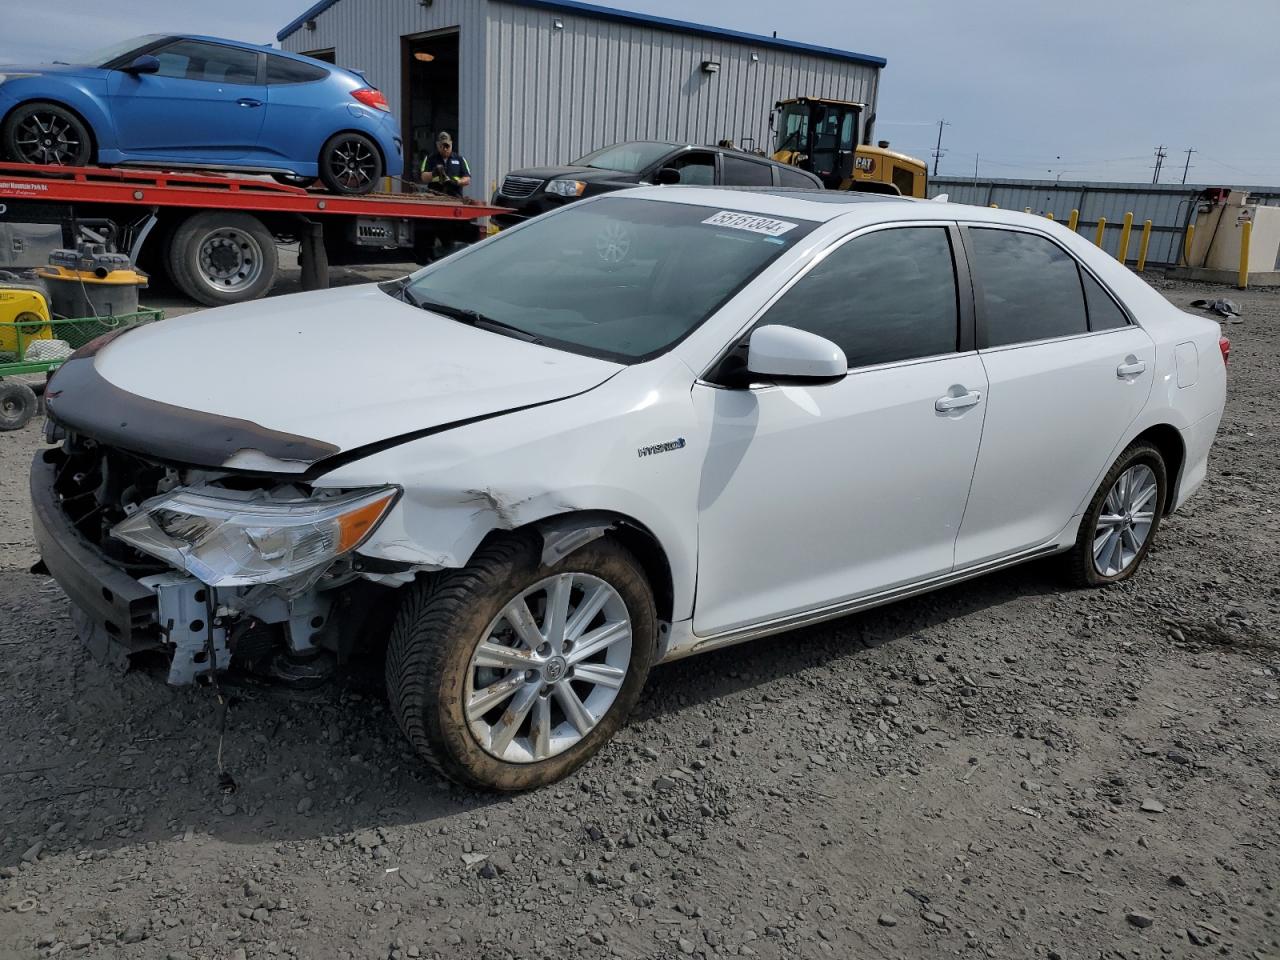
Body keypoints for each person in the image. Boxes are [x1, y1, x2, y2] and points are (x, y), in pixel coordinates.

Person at [420, 132, 471, 196]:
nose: (445, 149)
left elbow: (467, 179)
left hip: (455, 198)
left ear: (451, 144)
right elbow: (423, 178)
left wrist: (456, 182)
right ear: (437, 145)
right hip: (434, 198)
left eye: (447, 146)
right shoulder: (430, 158)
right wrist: (434, 173)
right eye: (442, 146)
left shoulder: (460, 159)